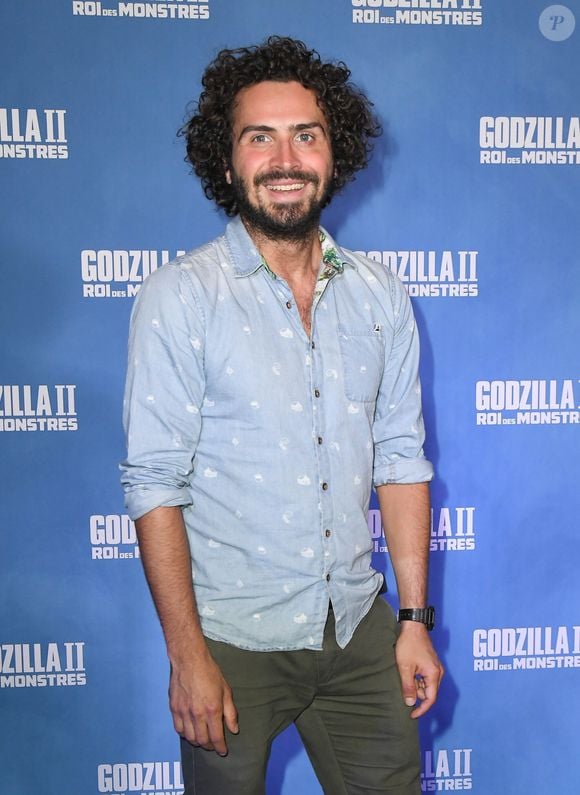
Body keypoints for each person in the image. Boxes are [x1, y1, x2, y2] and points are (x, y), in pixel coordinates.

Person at [121, 35, 443, 795]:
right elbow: (154, 483)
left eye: (306, 134)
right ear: (227, 162)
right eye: (258, 137)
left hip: (357, 626)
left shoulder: (380, 294)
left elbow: (400, 461)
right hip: (232, 641)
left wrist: (414, 619)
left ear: (336, 152)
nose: (286, 157)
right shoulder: (181, 296)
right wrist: (186, 654)